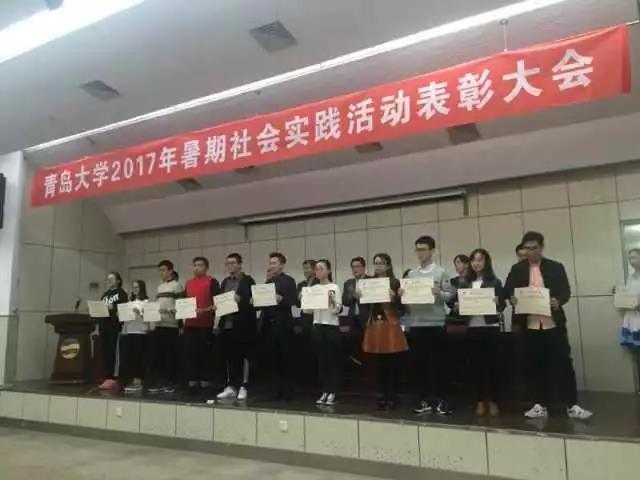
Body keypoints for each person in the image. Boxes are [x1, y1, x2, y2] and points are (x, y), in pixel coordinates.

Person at [504, 231, 592, 420]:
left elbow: (565, 291)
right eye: (527, 248)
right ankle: (539, 405)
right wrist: (512, 297)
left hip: (553, 323)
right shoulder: (517, 269)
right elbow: (508, 290)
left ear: (542, 247)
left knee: (563, 363)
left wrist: (558, 300)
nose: (531, 252)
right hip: (530, 325)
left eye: (534, 248)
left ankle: (572, 405)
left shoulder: (555, 267)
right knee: (534, 365)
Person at [400, 236, 453, 415]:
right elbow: (407, 301)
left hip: (436, 323)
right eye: (417, 250)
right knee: (419, 365)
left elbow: (449, 296)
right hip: (416, 324)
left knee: (438, 365)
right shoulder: (412, 274)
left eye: (423, 249)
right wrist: (402, 294)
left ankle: (441, 400)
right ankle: (424, 400)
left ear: (432, 251)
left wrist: (439, 293)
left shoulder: (441, 272)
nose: (420, 253)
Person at [456, 249, 506, 416]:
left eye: (480, 260)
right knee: (475, 366)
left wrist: (498, 302)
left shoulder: (495, 282)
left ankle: (493, 400)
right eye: (474, 260)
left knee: (492, 366)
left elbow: (502, 305)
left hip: (490, 327)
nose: (476, 263)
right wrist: (458, 306)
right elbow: (457, 305)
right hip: (472, 328)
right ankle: (479, 401)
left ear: (486, 262)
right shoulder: (465, 283)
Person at [361, 253, 408, 410]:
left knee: (392, 362)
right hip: (375, 325)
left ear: (388, 265)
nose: (378, 266)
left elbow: (402, 307)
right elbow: (366, 305)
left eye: (381, 263)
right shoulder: (368, 282)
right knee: (379, 363)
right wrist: (359, 296)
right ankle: (381, 396)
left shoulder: (395, 282)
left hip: (390, 324)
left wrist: (395, 298)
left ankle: (393, 396)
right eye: (376, 263)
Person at [216, 253, 257, 401]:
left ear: (240, 264)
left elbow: (255, 301)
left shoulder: (248, 280)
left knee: (244, 356)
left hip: (243, 324)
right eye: (228, 263)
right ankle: (231, 386)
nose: (230, 266)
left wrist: (242, 300)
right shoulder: (224, 282)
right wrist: (217, 306)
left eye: (233, 263)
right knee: (229, 356)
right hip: (227, 324)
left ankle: (244, 386)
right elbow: (221, 301)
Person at [259, 252, 298, 401]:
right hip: (268, 324)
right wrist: (255, 301)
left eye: (274, 263)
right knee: (273, 358)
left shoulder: (288, 281)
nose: (271, 266)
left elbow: (292, 301)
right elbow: (262, 304)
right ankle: (276, 390)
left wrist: (281, 299)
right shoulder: (268, 282)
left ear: (282, 265)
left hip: (283, 324)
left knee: (285, 358)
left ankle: (288, 391)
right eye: (270, 263)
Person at [306, 259, 343, 406]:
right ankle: (325, 390)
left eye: (321, 268)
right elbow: (308, 311)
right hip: (317, 325)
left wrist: (332, 301)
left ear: (328, 271)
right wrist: (305, 300)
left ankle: (333, 391)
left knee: (332, 360)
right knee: (321, 361)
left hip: (331, 326)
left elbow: (337, 309)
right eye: (316, 269)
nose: (318, 271)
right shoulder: (314, 288)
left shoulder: (334, 287)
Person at [183, 257, 220, 393]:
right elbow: (184, 302)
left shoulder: (212, 281)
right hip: (190, 324)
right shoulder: (188, 283)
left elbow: (218, 303)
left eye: (200, 265)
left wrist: (205, 310)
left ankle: (205, 380)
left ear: (206, 267)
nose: (197, 268)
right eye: (194, 265)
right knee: (191, 353)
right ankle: (192, 379)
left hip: (205, 324)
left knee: (205, 354)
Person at [147, 260, 184, 394]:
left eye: (164, 270)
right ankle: (161, 382)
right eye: (160, 270)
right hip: (159, 324)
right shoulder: (160, 287)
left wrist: (180, 325)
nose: (161, 273)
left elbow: (181, 306)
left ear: (170, 271)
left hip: (171, 325)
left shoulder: (177, 286)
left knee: (171, 355)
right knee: (160, 355)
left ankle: (172, 382)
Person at [97, 272, 128, 390]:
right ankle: (107, 376)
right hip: (104, 326)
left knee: (113, 351)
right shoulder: (105, 294)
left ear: (118, 281)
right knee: (105, 352)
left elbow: (123, 309)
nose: (109, 281)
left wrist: (113, 307)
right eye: (108, 279)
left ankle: (113, 377)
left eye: (111, 279)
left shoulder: (121, 293)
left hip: (114, 327)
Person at [120, 280, 149, 394]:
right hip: (129, 331)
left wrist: (140, 313)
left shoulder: (146, 302)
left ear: (141, 288)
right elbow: (125, 319)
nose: (135, 289)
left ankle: (138, 381)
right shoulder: (129, 302)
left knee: (138, 357)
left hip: (140, 332)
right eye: (133, 287)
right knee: (130, 357)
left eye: (137, 287)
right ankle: (132, 379)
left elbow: (149, 318)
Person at [619, 248, 640, 347]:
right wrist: (619, 293)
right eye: (630, 259)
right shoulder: (630, 278)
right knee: (635, 349)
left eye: (634, 258)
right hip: (632, 316)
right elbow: (629, 295)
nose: (631, 261)